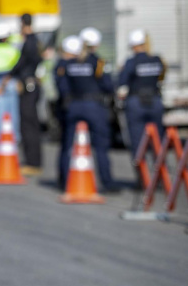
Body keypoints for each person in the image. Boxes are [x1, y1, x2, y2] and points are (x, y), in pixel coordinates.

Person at [56, 35, 119, 193]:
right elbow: (108, 85)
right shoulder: (97, 63)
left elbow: (62, 88)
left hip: (73, 106)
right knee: (101, 147)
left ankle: (64, 182)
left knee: (68, 145)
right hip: (94, 107)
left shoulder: (67, 65)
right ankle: (107, 182)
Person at [1, 13, 43, 176]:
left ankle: (33, 162)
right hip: (31, 84)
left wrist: (9, 76)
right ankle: (33, 161)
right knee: (29, 123)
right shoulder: (36, 41)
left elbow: (22, 63)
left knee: (28, 124)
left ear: (22, 23)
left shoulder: (30, 42)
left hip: (28, 86)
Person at [117, 29, 166, 159]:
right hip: (155, 101)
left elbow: (122, 82)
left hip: (136, 102)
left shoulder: (131, 62)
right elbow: (161, 78)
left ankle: (142, 176)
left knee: (138, 142)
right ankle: (160, 175)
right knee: (157, 139)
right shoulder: (157, 60)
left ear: (133, 45)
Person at [54, 36, 78, 189]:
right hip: (70, 107)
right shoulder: (66, 65)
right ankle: (64, 179)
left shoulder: (62, 65)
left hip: (68, 107)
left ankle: (64, 179)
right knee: (68, 144)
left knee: (67, 145)